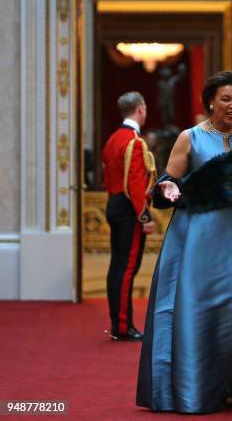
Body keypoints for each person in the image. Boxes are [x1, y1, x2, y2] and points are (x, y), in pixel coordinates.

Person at [136, 71, 232, 413]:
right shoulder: (190, 137)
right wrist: (168, 188)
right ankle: (193, 390)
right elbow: (169, 180)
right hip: (197, 234)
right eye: (226, 99)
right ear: (210, 102)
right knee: (198, 308)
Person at [102, 91, 156, 341]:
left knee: (118, 266)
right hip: (129, 210)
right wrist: (145, 218)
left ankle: (118, 323)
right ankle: (122, 326)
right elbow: (135, 185)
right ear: (141, 109)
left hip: (114, 204)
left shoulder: (113, 138)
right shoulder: (135, 141)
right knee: (126, 268)